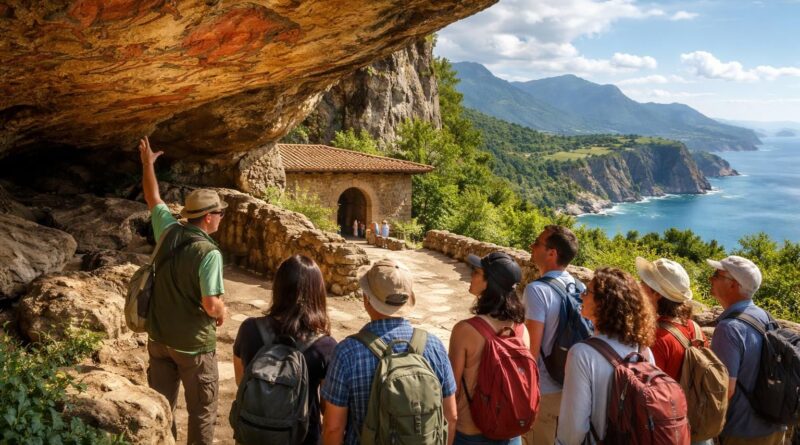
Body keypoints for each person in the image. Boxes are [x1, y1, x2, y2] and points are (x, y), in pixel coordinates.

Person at [139, 136, 227, 445]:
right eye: (220, 213)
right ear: (207, 217)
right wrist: (222, 312)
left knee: (163, 409)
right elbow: (211, 304)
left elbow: (153, 197)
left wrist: (147, 164)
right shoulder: (209, 254)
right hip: (193, 347)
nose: (221, 218)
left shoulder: (169, 230)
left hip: (159, 340)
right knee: (202, 411)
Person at [321, 259, 458, 445]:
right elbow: (451, 416)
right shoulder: (434, 346)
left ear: (366, 299)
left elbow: (333, 428)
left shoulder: (346, 353)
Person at [232, 255, 337, 445]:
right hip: (303, 438)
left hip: (255, 435)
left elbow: (241, 381)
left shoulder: (249, 329)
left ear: (278, 288)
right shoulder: (325, 346)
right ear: (318, 294)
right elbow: (326, 407)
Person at [556, 267, 657, 445]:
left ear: (603, 303)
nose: (581, 296)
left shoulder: (582, 353)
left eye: (588, 292)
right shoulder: (643, 351)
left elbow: (574, 430)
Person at [450, 252, 530, 445]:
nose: (471, 276)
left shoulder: (465, 330)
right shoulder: (521, 330)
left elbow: (453, 389)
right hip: (510, 431)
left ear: (488, 283)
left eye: (477, 272)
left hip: (470, 433)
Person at [707, 255, 787, 445]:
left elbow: (724, 389)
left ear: (733, 284)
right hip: (774, 425)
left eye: (716, 274)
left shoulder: (729, 328)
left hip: (743, 433)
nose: (711, 278)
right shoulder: (765, 317)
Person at [522, 225, 583, 445]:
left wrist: (524, 393)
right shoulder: (579, 286)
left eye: (537, 242)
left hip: (545, 391)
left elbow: (531, 349)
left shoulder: (537, 290)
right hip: (572, 388)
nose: (532, 246)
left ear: (552, 253)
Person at [636, 256, 699, 381]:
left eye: (643, 282)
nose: (639, 286)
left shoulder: (656, 338)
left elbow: (645, 389)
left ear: (657, 294)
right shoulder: (694, 328)